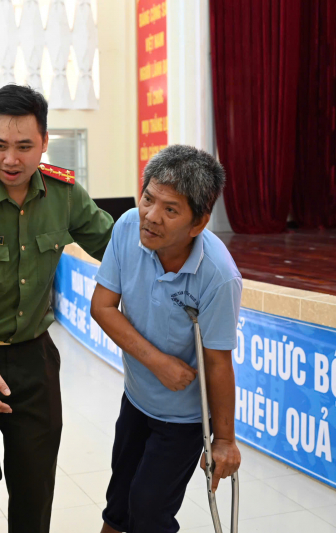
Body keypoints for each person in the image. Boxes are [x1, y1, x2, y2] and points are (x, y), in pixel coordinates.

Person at [0, 84, 114, 533]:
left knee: (34, 481)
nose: (11, 159)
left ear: (45, 143)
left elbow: (114, 246)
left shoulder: (64, 194)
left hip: (33, 356)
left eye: (25, 147)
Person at [90, 145, 242, 533]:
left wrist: (224, 440)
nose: (151, 218)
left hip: (184, 419)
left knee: (149, 512)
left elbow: (218, 361)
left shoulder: (218, 276)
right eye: (148, 199)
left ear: (198, 223)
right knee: (118, 503)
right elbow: (103, 307)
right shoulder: (126, 226)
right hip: (138, 397)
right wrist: (157, 362)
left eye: (170, 209)